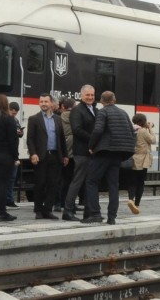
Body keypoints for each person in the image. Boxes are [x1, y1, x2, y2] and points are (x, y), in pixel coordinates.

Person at [82, 91, 135, 225]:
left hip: (104, 151)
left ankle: (95, 213)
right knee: (113, 185)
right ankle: (112, 217)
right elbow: (131, 130)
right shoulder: (123, 112)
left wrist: (91, 146)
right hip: (118, 154)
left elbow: (98, 130)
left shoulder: (102, 112)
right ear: (114, 100)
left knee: (91, 181)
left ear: (101, 101)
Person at [27, 93, 67, 220]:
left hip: (55, 156)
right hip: (41, 156)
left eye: (45, 101)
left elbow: (62, 139)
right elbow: (30, 139)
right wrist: (33, 153)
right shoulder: (34, 119)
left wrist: (65, 155)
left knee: (53, 184)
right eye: (41, 101)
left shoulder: (58, 119)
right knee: (40, 183)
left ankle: (48, 210)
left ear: (51, 104)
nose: (43, 104)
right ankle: (38, 210)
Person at [63, 85, 96, 221]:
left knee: (89, 182)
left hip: (92, 152)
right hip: (82, 151)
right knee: (77, 181)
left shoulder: (94, 109)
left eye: (92, 95)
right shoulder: (77, 110)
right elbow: (76, 130)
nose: (90, 97)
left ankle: (88, 211)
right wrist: (93, 140)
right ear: (81, 96)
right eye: (87, 95)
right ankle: (68, 211)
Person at [129, 113, 156, 214]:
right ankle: (136, 204)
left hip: (133, 158)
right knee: (140, 182)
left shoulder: (131, 129)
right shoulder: (143, 131)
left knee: (132, 182)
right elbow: (153, 140)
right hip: (143, 160)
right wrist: (150, 128)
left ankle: (130, 199)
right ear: (143, 121)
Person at [55, 96, 76, 212]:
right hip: (73, 152)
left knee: (59, 179)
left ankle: (58, 203)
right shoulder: (76, 117)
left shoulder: (57, 118)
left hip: (62, 152)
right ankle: (68, 202)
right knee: (70, 179)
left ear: (63, 107)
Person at [6, 101, 24, 208]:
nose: (13, 114)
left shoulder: (16, 120)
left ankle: (9, 199)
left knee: (12, 178)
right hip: (7, 153)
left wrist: (20, 133)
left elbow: (19, 133)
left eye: (15, 113)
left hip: (14, 152)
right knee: (6, 178)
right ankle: (5, 199)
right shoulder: (5, 120)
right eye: (12, 112)